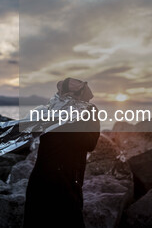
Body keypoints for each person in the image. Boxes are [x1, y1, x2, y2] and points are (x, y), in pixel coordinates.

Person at [24, 78, 101, 228]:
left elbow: (90, 143)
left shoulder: (88, 111)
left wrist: (68, 121)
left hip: (68, 180)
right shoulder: (47, 110)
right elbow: (24, 137)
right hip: (43, 181)